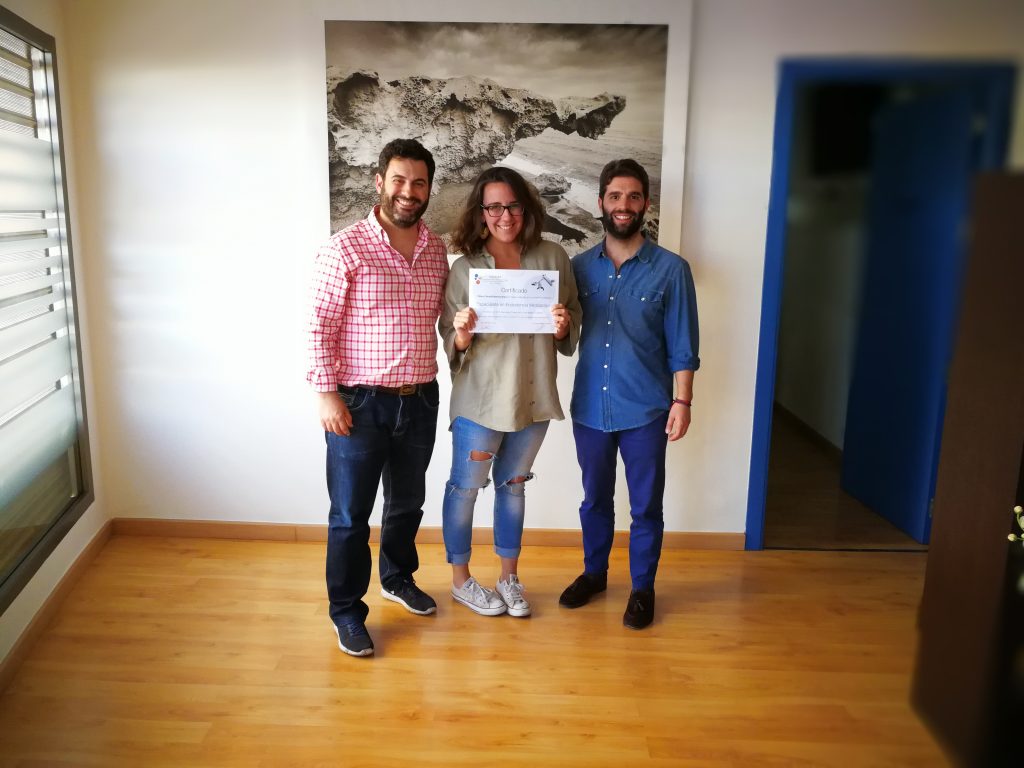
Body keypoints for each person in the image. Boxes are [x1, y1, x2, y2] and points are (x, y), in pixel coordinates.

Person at [307, 138, 449, 657]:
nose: (408, 191)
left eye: (419, 182)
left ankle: (397, 577)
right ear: (380, 182)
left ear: (429, 189)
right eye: (399, 180)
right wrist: (327, 395)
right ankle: (346, 610)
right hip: (359, 403)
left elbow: (448, 318)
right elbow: (319, 325)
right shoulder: (344, 247)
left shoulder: (437, 250)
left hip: (421, 399)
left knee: (407, 503)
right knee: (350, 513)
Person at [559, 159, 700, 630]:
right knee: (594, 500)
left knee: (646, 507)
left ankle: (642, 588)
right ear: (600, 202)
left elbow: (683, 343)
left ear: (645, 204)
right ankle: (594, 574)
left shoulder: (672, 270)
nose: (624, 205)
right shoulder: (578, 268)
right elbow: (564, 336)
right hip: (590, 408)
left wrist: (683, 401)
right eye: (615, 196)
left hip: (647, 410)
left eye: (633, 196)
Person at [440, 167, 581, 618]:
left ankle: (509, 578)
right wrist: (462, 333)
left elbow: (571, 320)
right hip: (480, 401)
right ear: (482, 212)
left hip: (532, 396)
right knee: (465, 489)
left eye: (513, 205)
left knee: (513, 487)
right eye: (495, 206)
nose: (505, 216)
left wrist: (563, 325)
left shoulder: (553, 257)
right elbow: (450, 338)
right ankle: (461, 582)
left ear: (526, 207)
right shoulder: (465, 268)